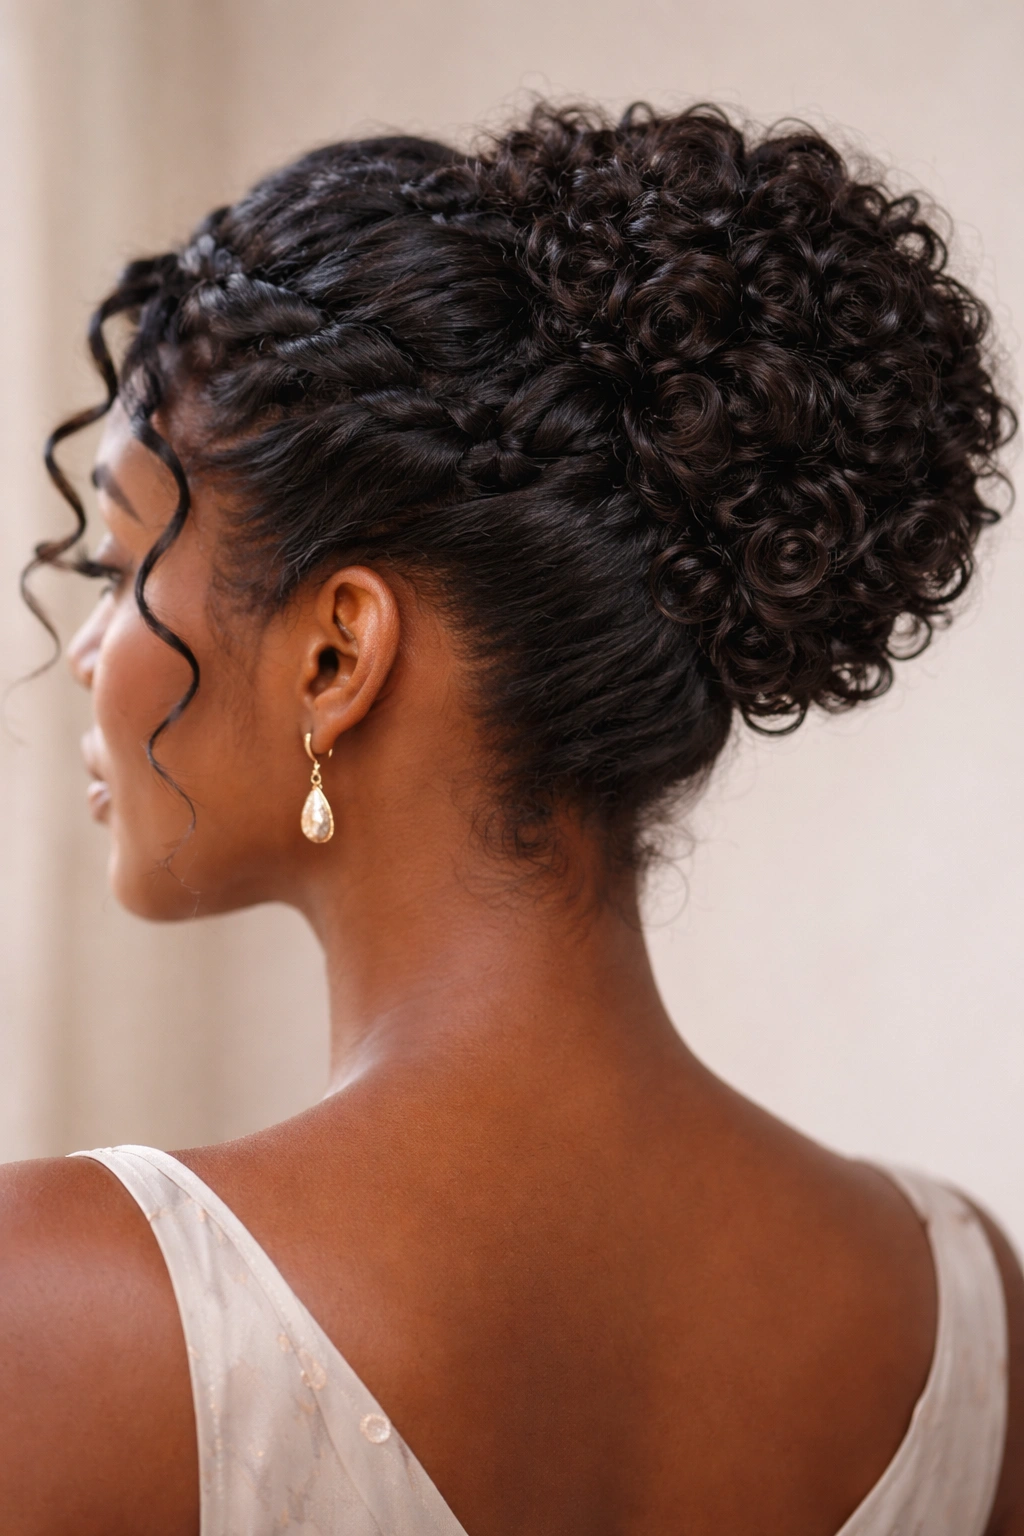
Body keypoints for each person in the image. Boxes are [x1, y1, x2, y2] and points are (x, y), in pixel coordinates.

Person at [4, 102, 1021, 1536]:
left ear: (335, 657)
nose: (91, 654)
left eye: (122, 565)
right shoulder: (968, 1315)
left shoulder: (52, 1312)